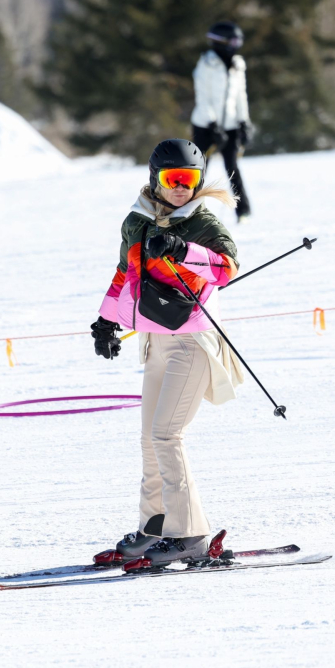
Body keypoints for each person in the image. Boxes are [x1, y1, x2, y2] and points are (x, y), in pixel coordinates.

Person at [91, 138, 244, 567]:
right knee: (148, 440)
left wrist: (183, 250)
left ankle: (190, 533)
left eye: (190, 180)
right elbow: (126, 273)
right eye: (173, 179)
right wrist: (107, 321)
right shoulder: (137, 222)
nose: (182, 188)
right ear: (155, 179)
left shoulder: (201, 223)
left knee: (166, 435)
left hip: (192, 343)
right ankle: (154, 527)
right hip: (155, 342)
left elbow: (228, 268)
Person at [191, 21, 252, 223]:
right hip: (205, 125)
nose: (236, 45)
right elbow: (202, 96)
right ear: (221, 42)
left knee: (232, 166)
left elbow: (241, 95)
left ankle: (242, 211)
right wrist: (212, 124)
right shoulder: (206, 64)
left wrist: (244, 122)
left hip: (231, 125)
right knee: (199, 169)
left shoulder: (238, 64)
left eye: (239, 41)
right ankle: (189, 211)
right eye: (233, 40)